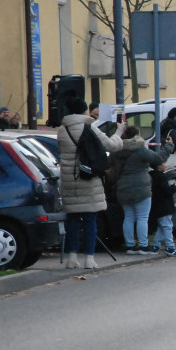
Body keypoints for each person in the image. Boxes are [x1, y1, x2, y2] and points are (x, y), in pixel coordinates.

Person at [58, 98, 124, 269]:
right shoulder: (90, 127)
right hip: (87, 178)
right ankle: (89, 258)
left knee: (72, 220)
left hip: (68, 180)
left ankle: (71, 258)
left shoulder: (62, 129)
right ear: (84, 111)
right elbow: (111, 145)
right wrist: (119, 132)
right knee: (90, 220)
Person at [113, 126, 175, 255]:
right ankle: (143, 245)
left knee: (128, 217)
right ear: (137, 135)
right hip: (141, 187)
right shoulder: (140, 149)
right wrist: (169, 146)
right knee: (142, 217)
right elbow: (159, 158)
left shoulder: (117, 150)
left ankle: (130, 246)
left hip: (122, 187)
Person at [149, 161, 176, 257]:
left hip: (157, 205)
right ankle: (170, 247)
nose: (166, 165)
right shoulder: (161, 177)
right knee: (167, 226)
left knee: (162, 226)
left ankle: (156, 245)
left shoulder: (152, 175)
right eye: (164, 163)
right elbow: (166, 191)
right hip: (164, 205)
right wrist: (175, 188)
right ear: (159, 166)